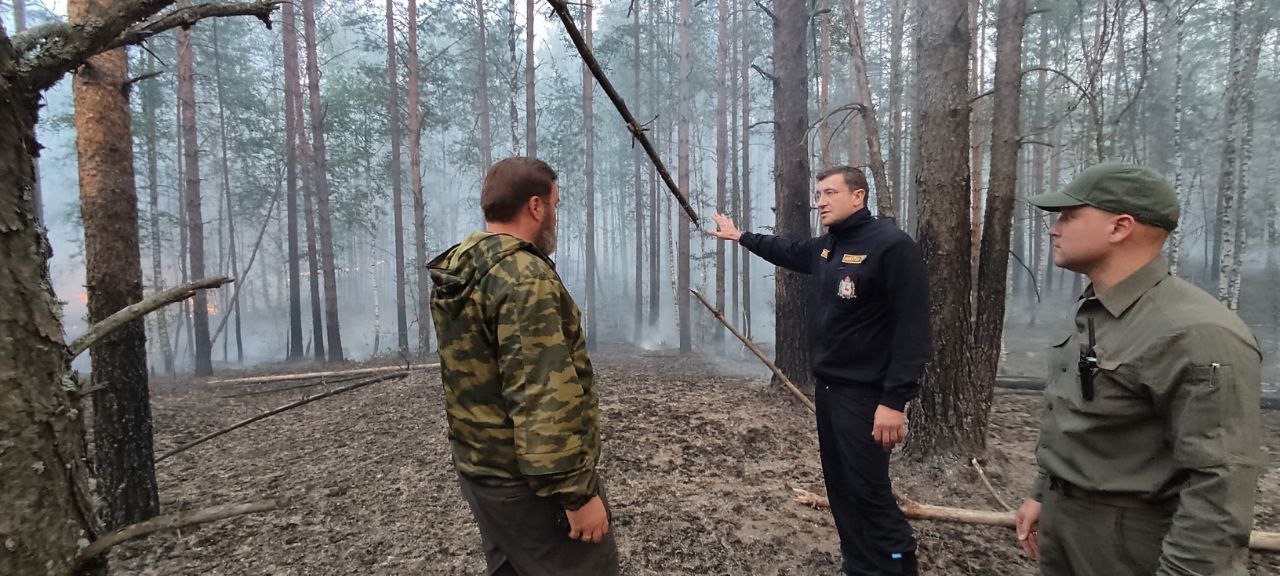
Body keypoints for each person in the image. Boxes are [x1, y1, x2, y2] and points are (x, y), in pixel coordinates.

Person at [1015, 162, 1262, 576]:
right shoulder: (1099, 310)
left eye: (1070, 216)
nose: (1055, 228)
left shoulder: (1194, 331)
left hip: (1135, 545)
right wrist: (1045, 492)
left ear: (1120, 227)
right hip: (1069, 528)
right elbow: (1076, 418)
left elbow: (1220, 483)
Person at [707, 165, 931, 576]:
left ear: (858, 196)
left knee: (869, 492)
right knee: (842, 489)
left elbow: (913, 331)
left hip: (867, 397)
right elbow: (787, 250)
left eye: (830, 193)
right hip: (828, 391)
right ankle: (860, 565)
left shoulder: (891, 246)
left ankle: (898, 567)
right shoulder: (829, 245)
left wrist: (894, 401)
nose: (820, 202)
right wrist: (740, 236)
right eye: (819, 194)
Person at [428, 157, 618, 576]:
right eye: (555, 204)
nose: (555, 215)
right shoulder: (524, 278)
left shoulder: (464, 266)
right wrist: (577, 495)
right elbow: (540, 397)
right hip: (529, 485)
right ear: (536, 207)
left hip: (483, 472)